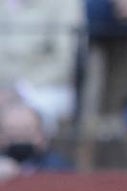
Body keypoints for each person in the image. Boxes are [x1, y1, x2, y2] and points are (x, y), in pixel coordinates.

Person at [0, 0, 84, 130]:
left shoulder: (65, 4)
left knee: (24, 120)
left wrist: (20, 90)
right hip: (4, 86)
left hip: (44, 87)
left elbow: (67, 60)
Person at [0, 98, 72, 183]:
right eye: (12, 132)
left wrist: (21, 172)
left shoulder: (57, 166)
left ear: (40, 134)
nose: (19, 139)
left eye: (26, 131)